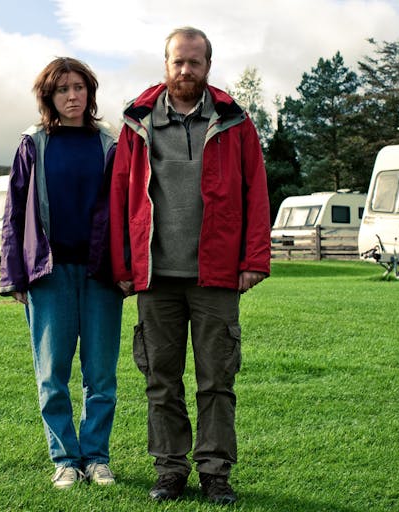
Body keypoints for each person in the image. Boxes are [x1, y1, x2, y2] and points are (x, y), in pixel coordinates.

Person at [109, 27, 271, 505]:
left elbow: (256, 192)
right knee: (161, 381)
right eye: (177, 61)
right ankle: (170, 471)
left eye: (194, 62)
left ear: (208, 66)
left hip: (215, 276)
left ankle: (215, 473)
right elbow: (120, 196)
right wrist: (123, 265)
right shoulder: (137, 122)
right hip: (155, 277)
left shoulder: (235, 122)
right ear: (165, 64)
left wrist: (254, 259)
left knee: (217, 380)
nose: (185, 70)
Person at [0, 57, 123, 490]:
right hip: (48, 274)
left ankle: (97, 458)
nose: (73, 96)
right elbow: (14, 213)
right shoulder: (32, 144)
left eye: (79, 88)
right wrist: (13, 276)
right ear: (48, 97)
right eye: (63, 89)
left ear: (90, 92)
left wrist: (128, 268)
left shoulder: (110, 143)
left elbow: (126, 210)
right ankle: (65, 460)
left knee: (101, 375)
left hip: (101, 273)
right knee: (52, 375)